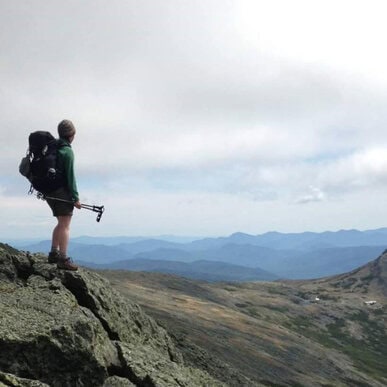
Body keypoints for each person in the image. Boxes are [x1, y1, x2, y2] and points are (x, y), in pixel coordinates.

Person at [46, 119, 81, 271]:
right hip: (61, 192)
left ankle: (53, 253)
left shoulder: (52, 148)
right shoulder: (67, 151)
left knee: (60, 223)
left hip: (48, 192)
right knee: (65, 225)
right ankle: (63, 258)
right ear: (72, 134)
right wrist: (76, 198)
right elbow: (70, 177)